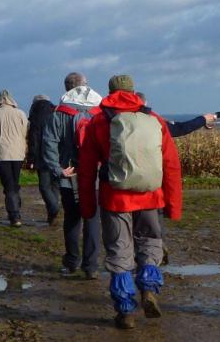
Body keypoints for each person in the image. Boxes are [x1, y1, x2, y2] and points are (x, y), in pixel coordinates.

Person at [79, 74, 182, 330]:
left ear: (110, 92)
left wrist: (88, 206)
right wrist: (173, 206)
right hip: (150, 195)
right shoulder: (154, 119)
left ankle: (125, 309)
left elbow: (86, 168)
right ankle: (148, 287)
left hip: (114, 196)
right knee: (149, 242)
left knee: (119, 249)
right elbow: (171, 166)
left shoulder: (98, 122)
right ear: (133, 91)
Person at [137, 91, 217, 265]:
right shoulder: (154, 121)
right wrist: (203, 119)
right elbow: (179, 128)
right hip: (153, 179)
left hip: (124, 182)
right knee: (153, 218)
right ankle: (157, 252)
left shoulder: (115, 122)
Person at [42, 73, 102, 279]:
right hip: (95, 174)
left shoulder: (59, 113)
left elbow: (48, 142)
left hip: (69, 175)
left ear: (66, 88)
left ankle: (71, 261)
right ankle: (91, 266)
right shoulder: (98, 112)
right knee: (93, 220)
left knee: (72, 218)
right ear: (85, 86)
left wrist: (57, 169)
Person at [0, 90, 28, 227]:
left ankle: (14, 215)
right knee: (14, 182)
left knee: (8, 185)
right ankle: (16, 207)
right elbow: (25, 132)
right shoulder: (21, 113)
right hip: (18, 153)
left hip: (2, 153)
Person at [27, 95, 59, 225]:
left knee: (44, 186)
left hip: (42, 156)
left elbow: (33, 141)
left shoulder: (35, 118)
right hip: (58, 156)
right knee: (55, 185)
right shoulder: (56, 113)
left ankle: (54, 209)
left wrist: (31, 159)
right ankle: (52, 213)